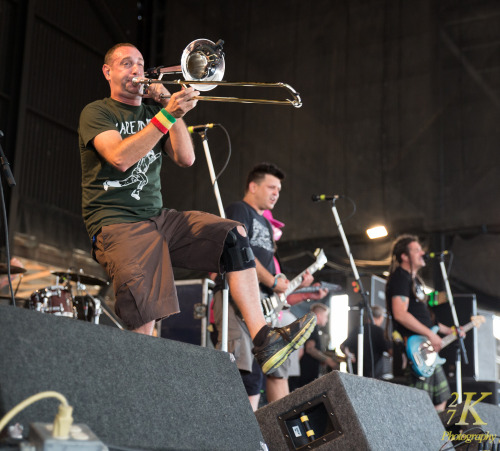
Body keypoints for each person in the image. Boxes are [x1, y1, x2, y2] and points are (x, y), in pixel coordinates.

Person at [77, 43, 316, 376]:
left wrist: (169, 108)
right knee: (144, 319)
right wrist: (167, 114)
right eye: (126, 63)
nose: (136, 70)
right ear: (108, 72)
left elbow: (186, 158)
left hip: (159, 219)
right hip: (117, 223)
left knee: (233, 235)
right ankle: (133, 387)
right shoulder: (98, 112)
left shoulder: (152, 112)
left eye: (141, 64)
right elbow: (120, 158)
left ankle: (264, 338)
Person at [212, 163, 327, 410]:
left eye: (279, 189)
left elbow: (268, 272)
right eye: (271, 187)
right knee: (244, 368)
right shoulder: (239, 209)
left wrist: (292, 286)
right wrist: (272, 281)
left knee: (276, 366)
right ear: (253, 187)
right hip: (236, 299)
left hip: (264, 305)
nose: (276, 193)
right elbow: (242, 252)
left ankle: (282, 433)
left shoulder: (265, 223)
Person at [385, 234, 458, 412]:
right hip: (416, 348)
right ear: (404, 256)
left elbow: (426, 318)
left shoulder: (415, 281)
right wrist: (431, 334)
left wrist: (450, 331)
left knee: (440, 401)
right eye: (417, 250)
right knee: (418, 405)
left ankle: (436, 439)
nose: (422, 253)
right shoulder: (400, 277)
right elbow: (400, 314)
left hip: (427, 346)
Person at [340, 304, 391, 378]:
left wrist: (349, 355)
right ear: (380, 317)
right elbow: (390, 351)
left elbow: (343, 346)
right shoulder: (379, 332)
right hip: (374, 374)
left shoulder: (357, 329)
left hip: (356, 373)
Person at [295, 302, 338, 388]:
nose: (327, 319)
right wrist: (328, 360)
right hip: (307, 372)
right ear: (318, 315)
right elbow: (310, 349)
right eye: (326, 316)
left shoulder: (311, 327)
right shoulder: (312, 327)